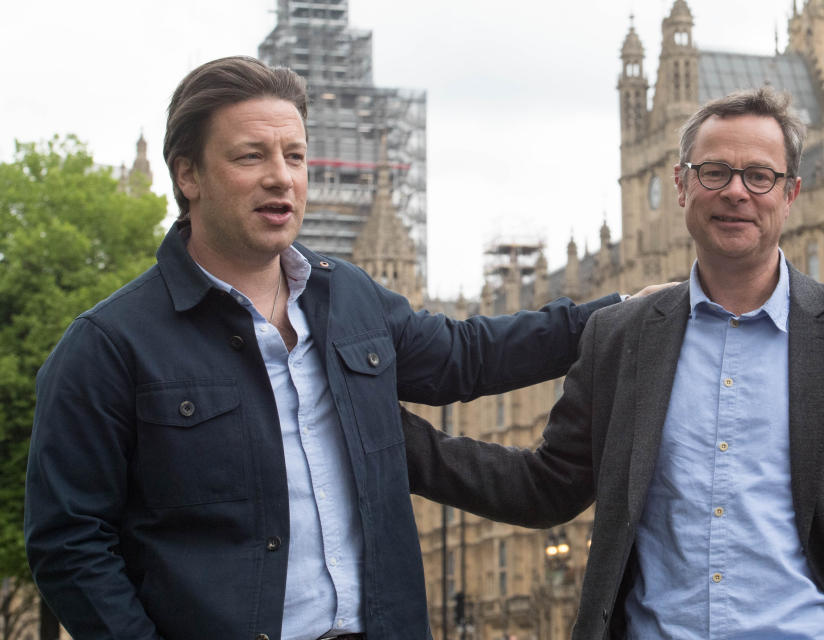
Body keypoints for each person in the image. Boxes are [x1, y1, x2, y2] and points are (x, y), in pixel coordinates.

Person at [23, 56, 625, 640]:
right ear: (188, 175)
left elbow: (466, 355)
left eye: (295, 156)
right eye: (250, 156)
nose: (280, 176)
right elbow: (68, 541)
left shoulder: (349, 299)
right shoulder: (108, 345)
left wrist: (623, 314)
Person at [403, 87, 824, 640]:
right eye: (714, 172)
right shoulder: (620, 339)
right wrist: (380, 430)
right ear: (682, 184)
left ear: (790, 194)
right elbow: (545, 486)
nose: (736, 191)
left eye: (759, 176)